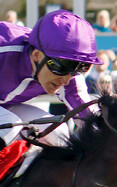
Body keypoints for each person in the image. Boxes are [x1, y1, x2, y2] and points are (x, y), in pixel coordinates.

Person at [0, 10, 102, 149]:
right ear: (37, 55)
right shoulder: (5, 49)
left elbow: (91, 120)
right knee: (9, 124)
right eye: (61, 67)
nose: (66, 80)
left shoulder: (68, 77)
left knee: (58, 133)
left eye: (76, 70)